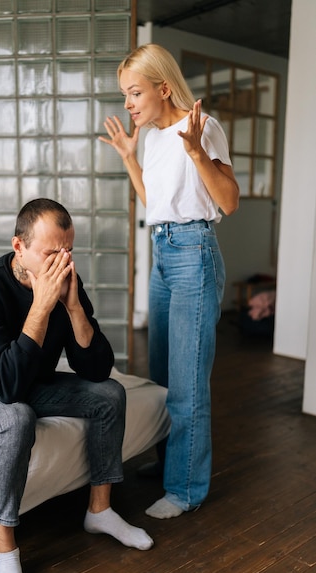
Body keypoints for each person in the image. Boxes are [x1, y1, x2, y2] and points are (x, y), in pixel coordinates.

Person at [0, 198, 154, 573]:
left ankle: (100, 510)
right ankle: (5, 557)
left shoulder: (65, 282)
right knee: (16, 416)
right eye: (51, 253)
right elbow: (5, 387)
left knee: (109, 394)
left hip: (27, 381)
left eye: (68, 250)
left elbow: (95, 369)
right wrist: (41, 305)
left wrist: (72, 307)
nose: (62, 262)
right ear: (19, 246)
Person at [99, 44, 239, 521]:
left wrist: (198, 151)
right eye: (125, 94)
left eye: (135, 92)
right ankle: (166, 466)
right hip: (164, 250)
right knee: (161, 375)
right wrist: (129, 157)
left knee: (187, 382)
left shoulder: (202, 128)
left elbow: (229, 201)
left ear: (163, 87)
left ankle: (184, 489)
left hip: (194, 252)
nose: (128, 104)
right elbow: (154, 199)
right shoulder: (154, 136)